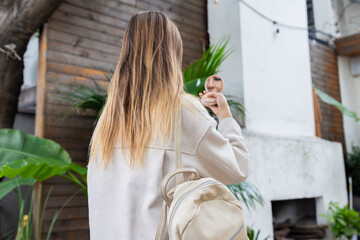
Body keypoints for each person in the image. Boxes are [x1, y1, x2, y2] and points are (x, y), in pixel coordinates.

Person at [87, 11, 250, 240]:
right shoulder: (180, 111)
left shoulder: (108, 121)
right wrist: (225, 117)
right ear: (172, 55)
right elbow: (237, 167)